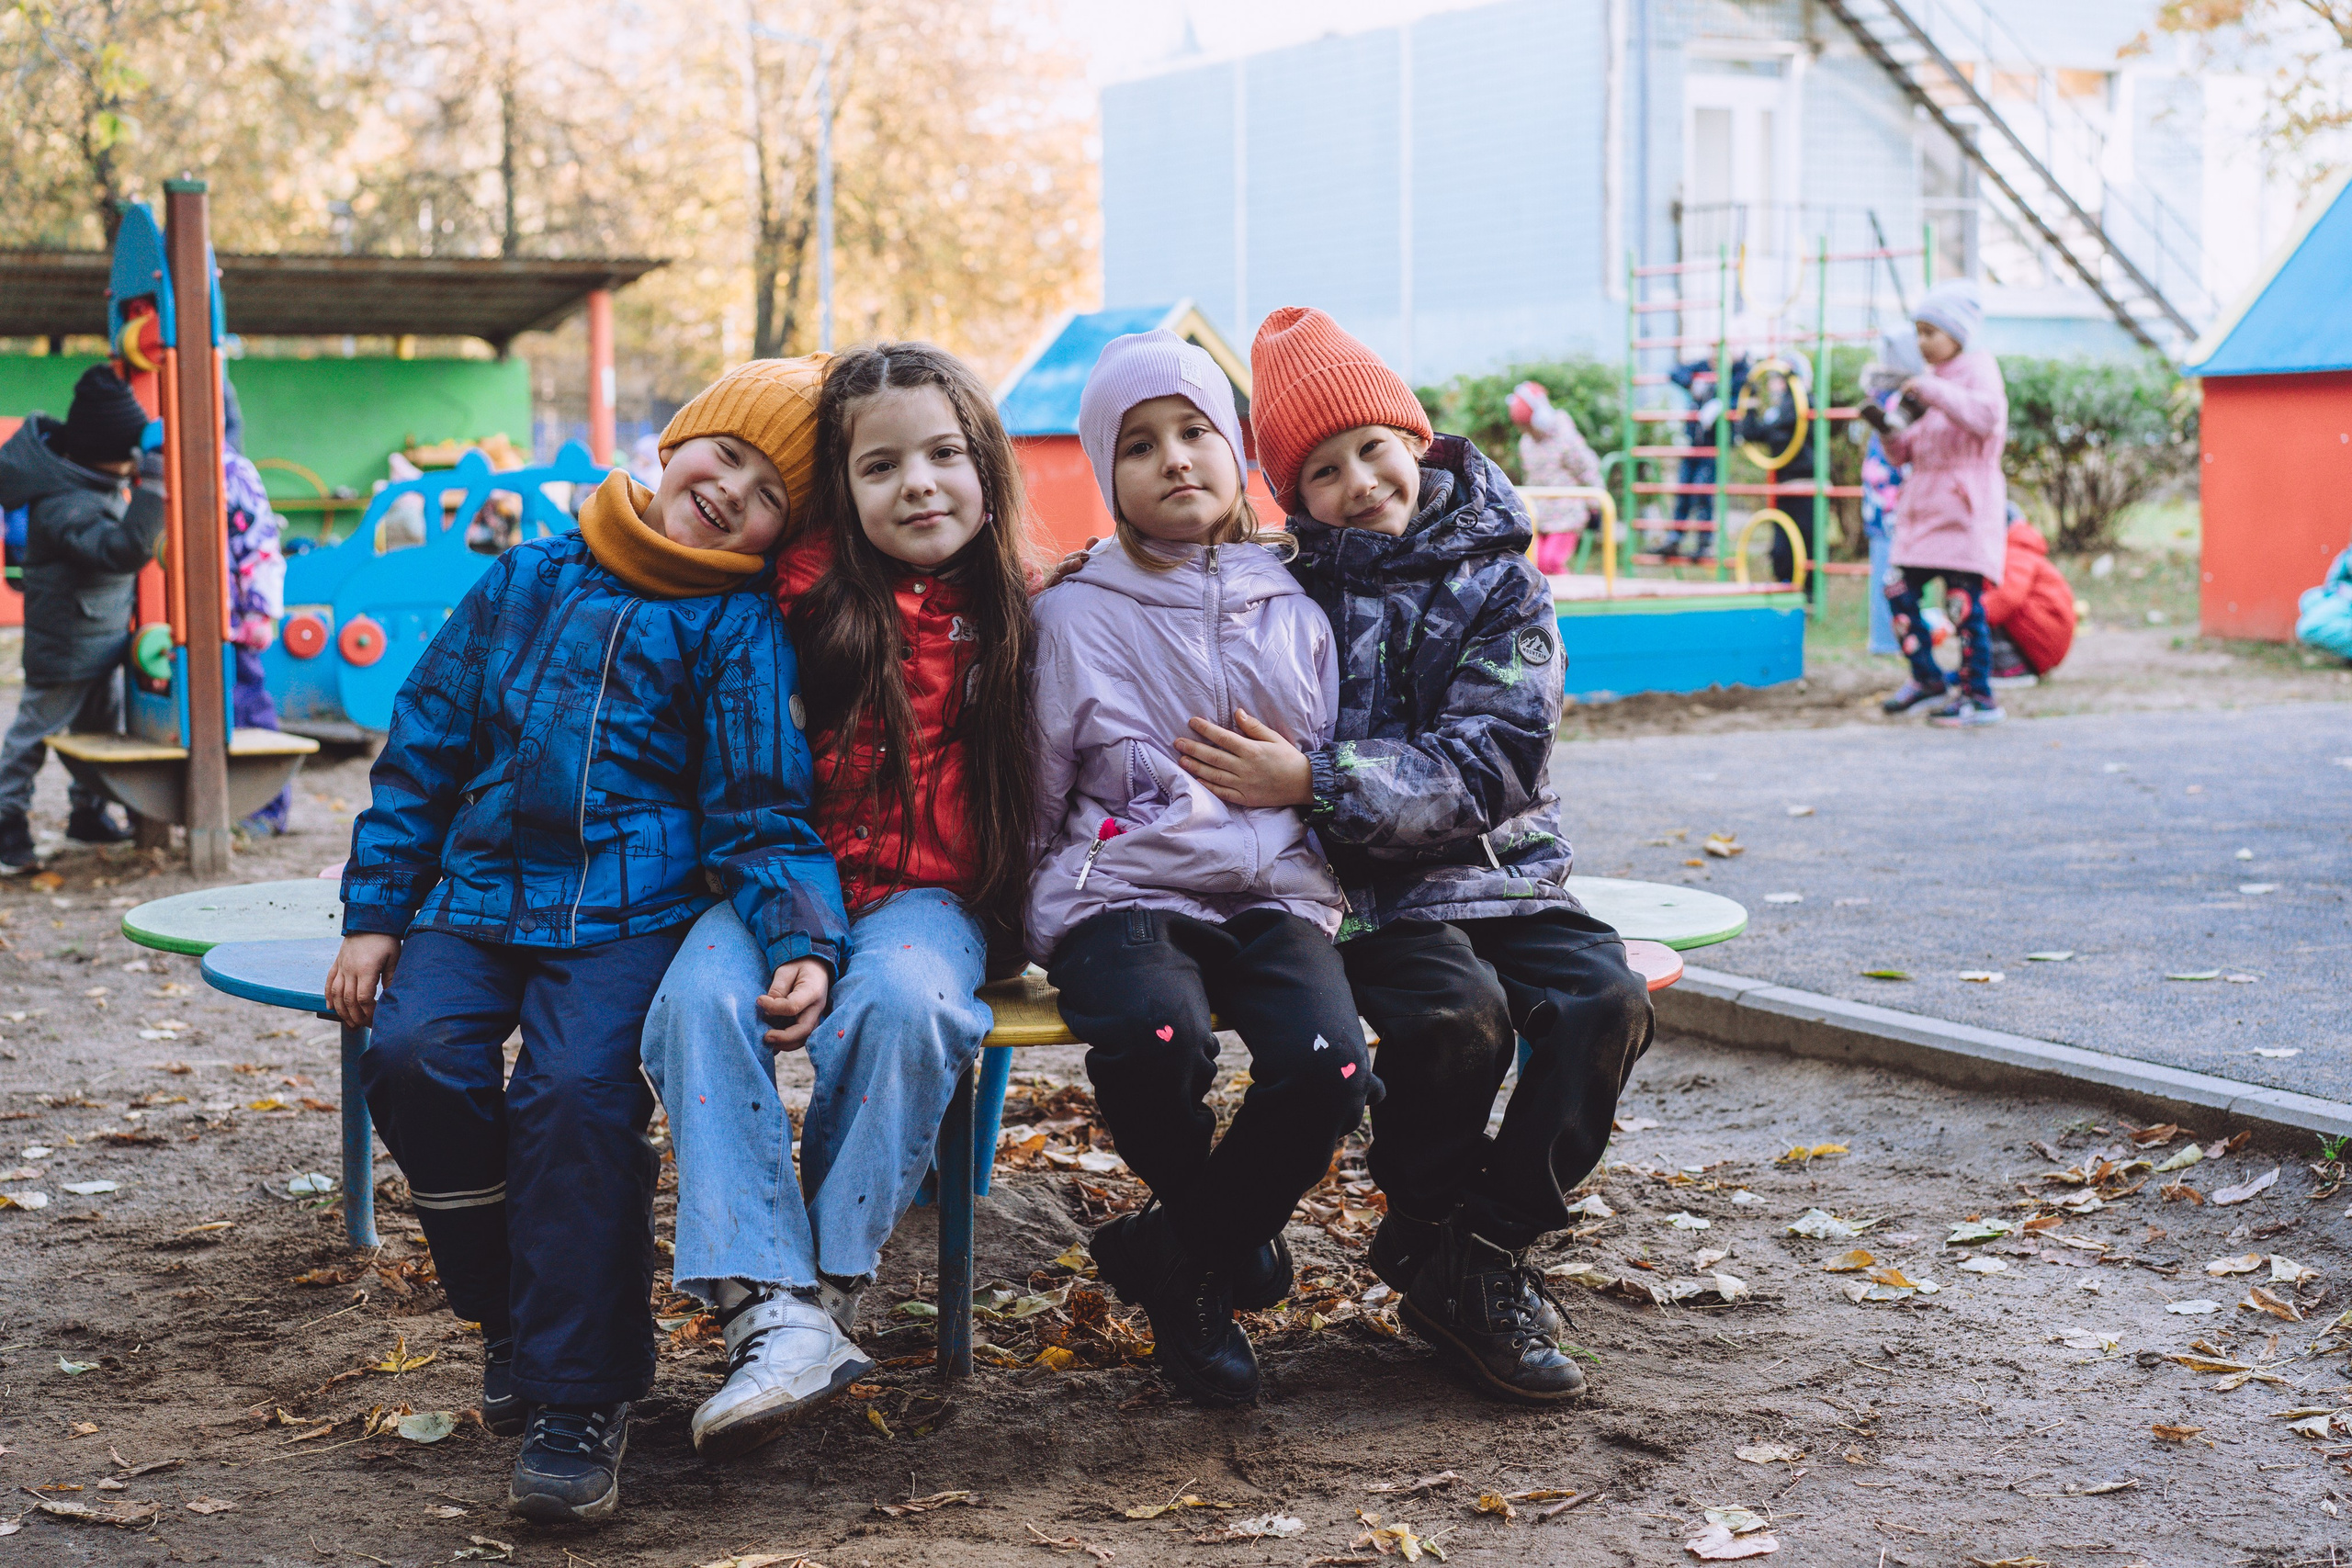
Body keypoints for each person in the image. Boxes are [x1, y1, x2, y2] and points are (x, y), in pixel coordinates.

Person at [324, 357, 848, 1525]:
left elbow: (762, 807)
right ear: (677, 444)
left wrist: (802, 935)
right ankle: (511, 1314)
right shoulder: (523, 578)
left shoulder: (734, 627)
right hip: (477, 898)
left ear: (780, 534)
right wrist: (375, 915)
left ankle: (582, 1396)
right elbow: (424, 750)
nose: (731, 492)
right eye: (728, 456)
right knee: (415, 1057)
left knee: (573, 1101)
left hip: (629, 912)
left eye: (769, 494)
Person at [1175, 308, 1656, 1405]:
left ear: (1418, 440)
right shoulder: (1286, 585)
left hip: (1505, 868)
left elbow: (1497, 755)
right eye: (1324, 471)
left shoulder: (1500, 576)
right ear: (1294, 496)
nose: (1360, 483)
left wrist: (1320, 778)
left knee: (1604, 1002)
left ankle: (1475, 1251)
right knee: (1453, 1019)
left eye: (1373, 450)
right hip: (1370, 891)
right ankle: (1434, 1223)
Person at [640, 343, 1038, 1459]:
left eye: (944, 455)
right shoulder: (789, 602)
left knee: (907, 1005)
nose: (917, 484)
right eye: (880, 467)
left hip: (932, 895)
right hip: (780, 878)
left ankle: (825, 1287)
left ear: (988, 464)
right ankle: (772, 1305)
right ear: (839, 491)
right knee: (699, 1002)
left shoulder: (1028, 608)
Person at [1032, 330, 1370, 1408]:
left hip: (1276, 889)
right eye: (1140, 446)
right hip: (1124, 890)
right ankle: (1222, 1239)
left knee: (1329, 1064)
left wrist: (1309, 785)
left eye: (1195, 433)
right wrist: (1010, 912)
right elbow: (1038, 775)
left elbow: (1338, 757)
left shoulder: (1300, 604)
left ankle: (1178, 1254)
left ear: (1236, 455)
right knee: (1152, 1035)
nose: (1174, 459)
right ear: (1108, 478)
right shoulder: (1073, 613)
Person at [0, 365, 156, 870]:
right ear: (101, 454)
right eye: (128, 453)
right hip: (67, 645)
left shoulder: (86, 481)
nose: (134, 460)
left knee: (100, 731)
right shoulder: (63, 503)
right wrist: (154, 491)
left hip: (99, 635)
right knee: (32, 736)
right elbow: (121, 551)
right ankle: (6, 826)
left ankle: (87, 815)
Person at [1861, 279, 2010, 727]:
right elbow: (1906, 452)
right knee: (1898, 590)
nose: (1922, 342)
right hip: (1923, 508)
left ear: (1957, 334)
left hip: (1964, 509)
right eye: (1918, 332)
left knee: (1963, 605)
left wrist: (1933, 392)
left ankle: (1978, 696)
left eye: (1931, 332)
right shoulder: (1925, 383)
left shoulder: (1978, 370)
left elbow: (1986, 419)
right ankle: (1927, 678)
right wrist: (1888, 431)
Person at [220, 378, 291, 832]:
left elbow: (259, 545)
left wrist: (258, 612)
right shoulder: (164, 469)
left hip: (233, 618)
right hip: (187, 619)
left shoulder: (232, 471)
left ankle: (268, 809)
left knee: (248, 705)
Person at [1856, 329, 1923, 658]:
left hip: (1879, 497)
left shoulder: (1880, 393)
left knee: (1887, 567)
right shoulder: (1903, 398)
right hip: (1894, 496)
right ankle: (1891, 639)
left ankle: (1889, 636)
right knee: (1894, 572)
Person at [1734, 352, 1812, 586]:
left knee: (1806, 543)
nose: (1774, 385)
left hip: (1805, 486)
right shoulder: (1777, 413)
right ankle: (1785, 586)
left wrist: (1791, 380)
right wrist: (1751, 402)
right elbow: (1750, 433)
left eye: (1780, 379)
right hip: (1783, 486)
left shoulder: (1805, 404)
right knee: (1781, 548)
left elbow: (1786, 420)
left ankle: (1807, 594)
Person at [1506, 381, 1598, 575]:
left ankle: (1566, 599)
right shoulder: (1527, 443)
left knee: (1551, 561)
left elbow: (1587, 470)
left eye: (1528, 426)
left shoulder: (1565, 437)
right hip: (1540, 513)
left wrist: (1595, 505)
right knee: (1532, 563)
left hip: (1566, 512)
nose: (1526, 431)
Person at [1982, 504, 2075, 685]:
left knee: (1988, 609)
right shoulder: (2017, 549)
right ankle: (1991, 665)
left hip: (2045, 635)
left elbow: (2007, 597)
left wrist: (1971, 614)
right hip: (2045, 632)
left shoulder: (2015, 552)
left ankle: (2011, 669)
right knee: (1986, 605)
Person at [1664, 355, 1746, 561]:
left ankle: (1704, 543)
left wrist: (1722, 404)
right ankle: (1675, 538)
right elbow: (1674, 371)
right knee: (1684, 489)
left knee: (1703, 491)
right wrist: (1692, 382)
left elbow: (1743, 395)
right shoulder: (1702, 366)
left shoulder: (1737, 371)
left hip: (1713, 444)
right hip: (1694, 441)